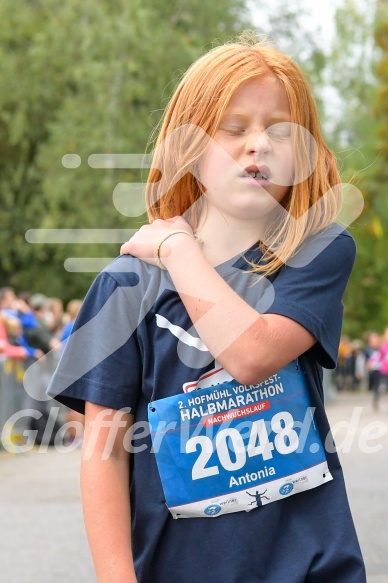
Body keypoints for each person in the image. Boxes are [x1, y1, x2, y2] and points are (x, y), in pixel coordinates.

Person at [48, 34, 366, 583]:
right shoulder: (126, 286)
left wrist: (175, 248)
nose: (258, 145)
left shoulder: (318, 250)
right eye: (234, 129)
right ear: (187, 148)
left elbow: (252, 354)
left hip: (312, 567)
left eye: (280, 131)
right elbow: (103, 451)